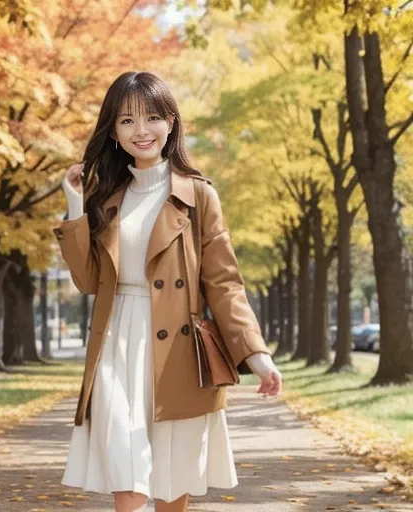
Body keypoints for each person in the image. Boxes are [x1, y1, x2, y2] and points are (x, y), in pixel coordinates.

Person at [53, 71, 283, 512]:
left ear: (172, 123)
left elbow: (224, 284)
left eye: (153, 117)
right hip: (117, 342)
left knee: (170, 480)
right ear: (114, 132)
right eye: (127, 121)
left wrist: (256, 354)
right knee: (127, 473)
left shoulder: (198, 196)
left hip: (178, 349)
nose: (141, 130)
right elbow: (86, 280)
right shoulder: (105, 197)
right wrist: (76, 205)